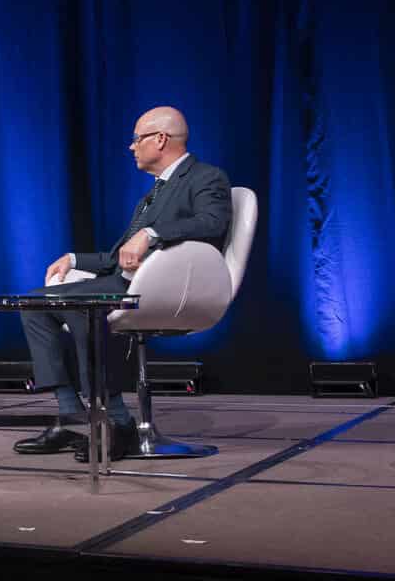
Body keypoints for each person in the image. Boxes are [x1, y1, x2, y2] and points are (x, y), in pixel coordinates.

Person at [13, 106, 232, 462]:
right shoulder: (154, 192)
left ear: (160, 139)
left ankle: (117, 422)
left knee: (82, 305)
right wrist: (75, 259)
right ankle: (70, 413)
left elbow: (211, 223)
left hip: (170, 289)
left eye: (136, 139)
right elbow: (122, 257)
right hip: (128, 282)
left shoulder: (206, 177)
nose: (131, 148)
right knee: (34, 302)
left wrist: (151, 232)